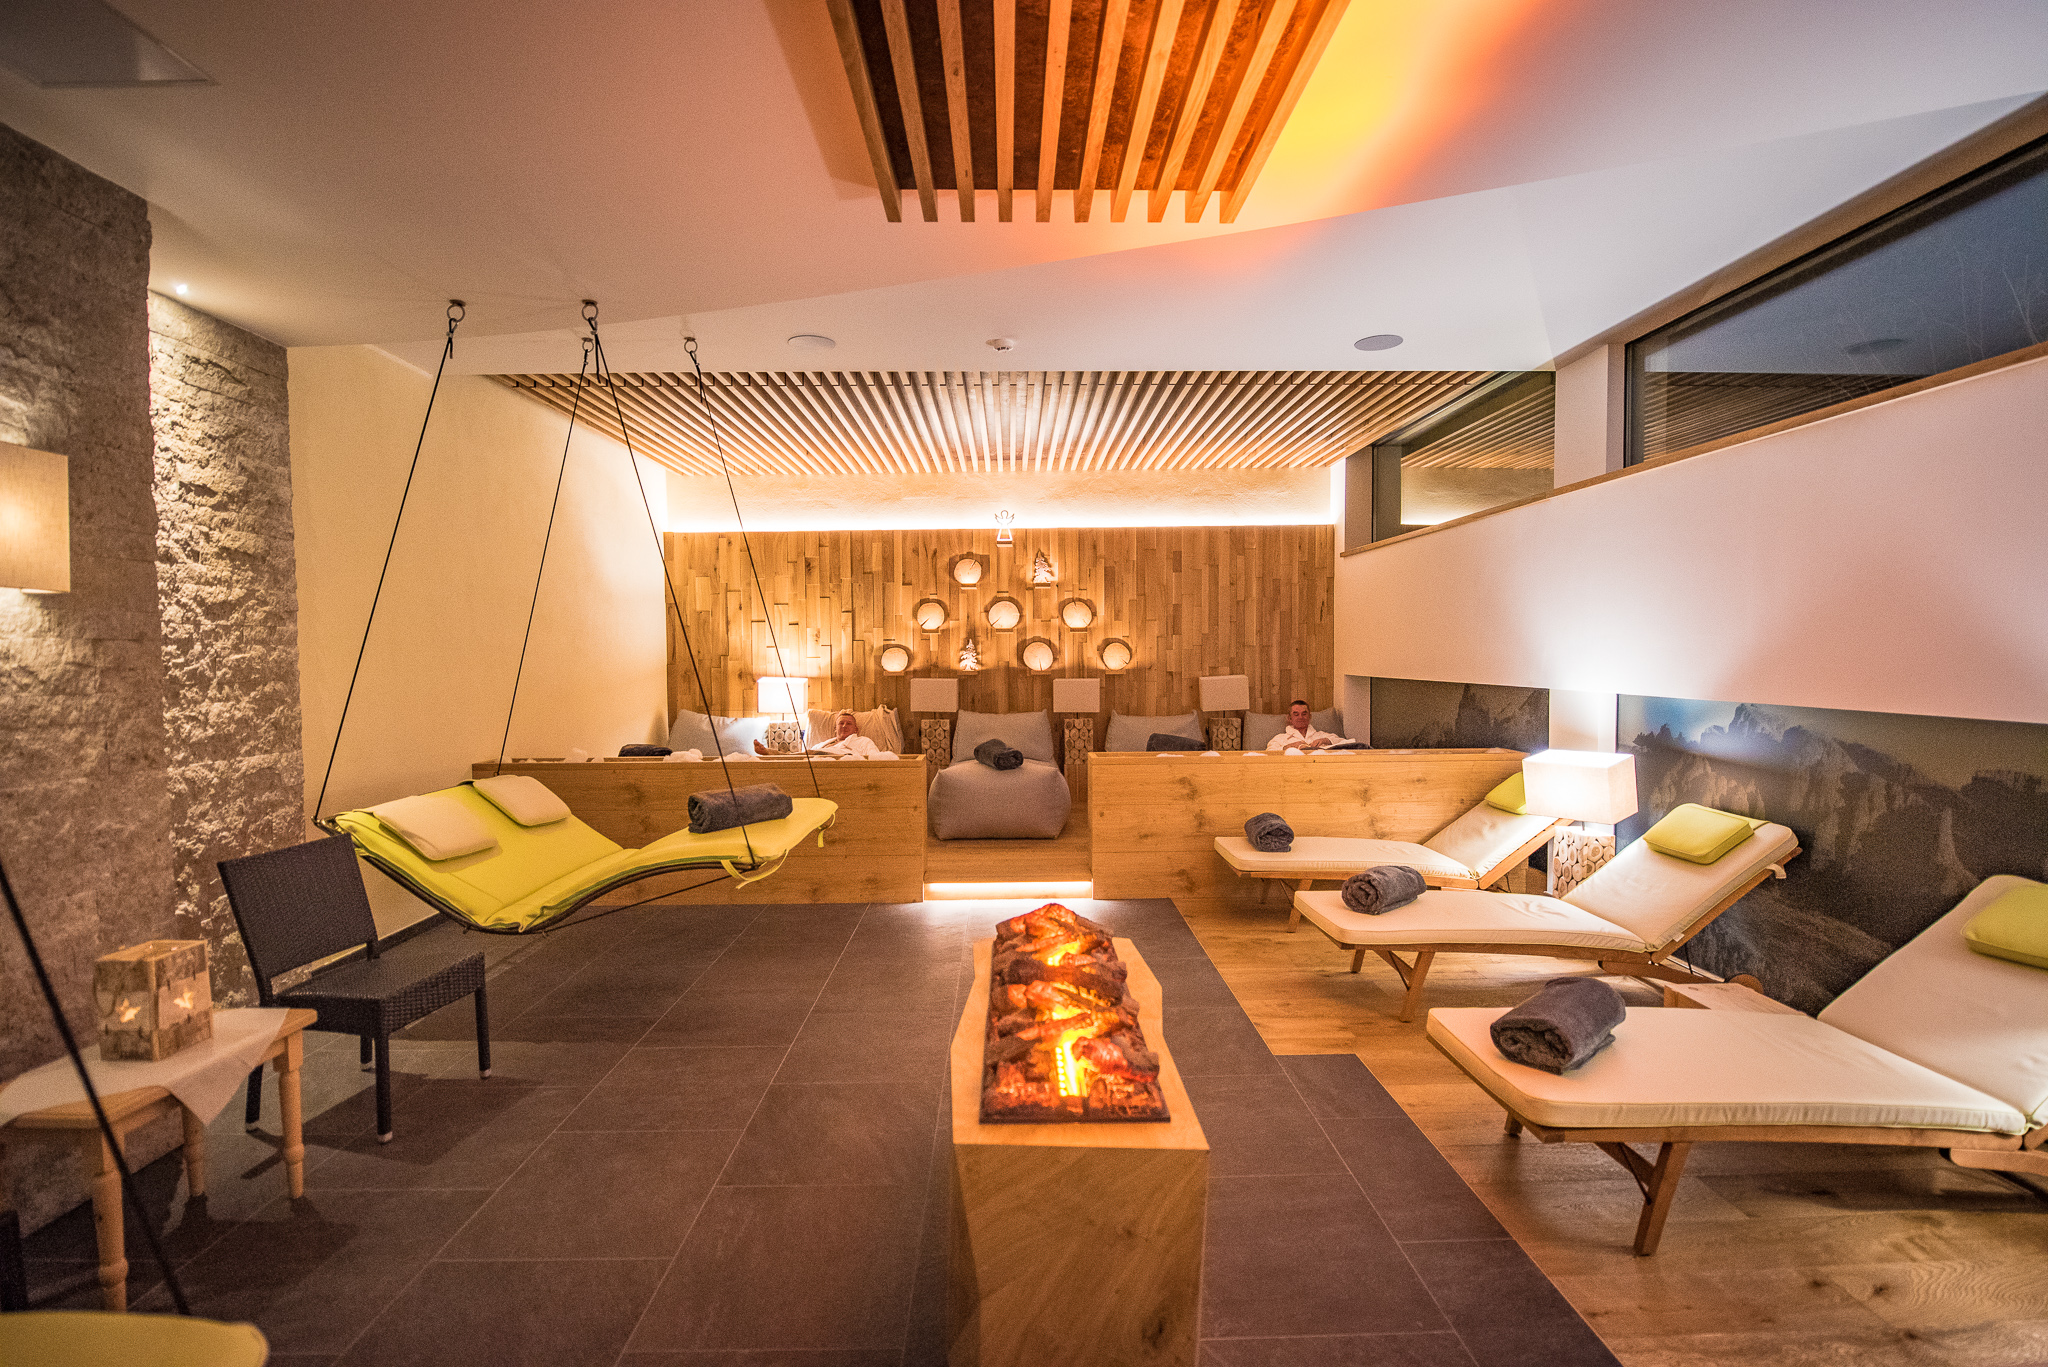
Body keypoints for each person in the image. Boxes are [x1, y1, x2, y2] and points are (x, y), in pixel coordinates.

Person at [759, 709, 894, 759]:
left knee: (810, 753)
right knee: (809, 754)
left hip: (843, 762)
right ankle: (777, 756)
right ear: (835, 729)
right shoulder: (822, 744)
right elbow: (804, 756)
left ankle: (776, 754)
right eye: (841, 723)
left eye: (849, 723)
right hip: (816, 763)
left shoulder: (864, 741)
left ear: (856, 730)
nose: (844, 726)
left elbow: (876, 759)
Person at [1267, 700, 1354, 753]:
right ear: (1290, 718)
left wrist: (1326, 741)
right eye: (1296, 714)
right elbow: (1268, 753)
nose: (1301, 717)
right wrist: (1287, 747)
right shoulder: (1280, 739)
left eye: (1304, 714)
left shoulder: (1321, 736)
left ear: (1310, 717)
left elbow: (1349, 744)